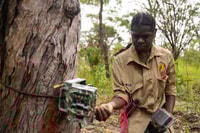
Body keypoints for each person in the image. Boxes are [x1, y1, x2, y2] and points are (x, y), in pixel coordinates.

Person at [95, 12, 176, 133]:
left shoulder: (166, 57)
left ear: (154, 33)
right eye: (135, 36)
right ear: (131, 33)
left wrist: (166, 118)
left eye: (145, 36)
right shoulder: (120, 61)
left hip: (160, 120)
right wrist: (110, 105)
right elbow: (122, 94)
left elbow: (170, 90)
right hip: (134, 122)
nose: (140, 41)